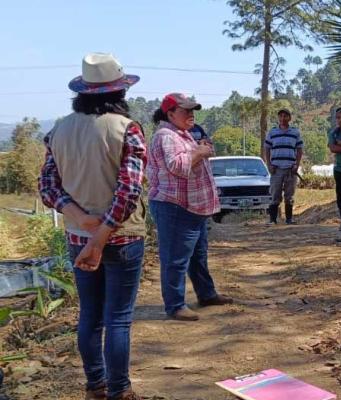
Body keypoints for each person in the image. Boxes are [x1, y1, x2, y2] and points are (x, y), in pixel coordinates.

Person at [39, 53, 145, 400]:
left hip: (77, 237)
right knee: (117, 319)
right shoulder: (126, 129)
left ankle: (95, 386)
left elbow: (48, 188)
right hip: (121, 238)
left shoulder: (58, 131)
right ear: (120, 94)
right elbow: (129, 191)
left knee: (90, 316)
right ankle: (120, 390)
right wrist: (100, 237)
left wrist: (82, 219)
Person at [147, 93, 233, 322]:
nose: (191, 114)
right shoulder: (166, 136)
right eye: (186, 111)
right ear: (170, 113)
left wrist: (200, 148)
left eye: (192, 110)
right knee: (175, 258)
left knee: (197, 255)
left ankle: (206, 294)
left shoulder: (181, 134)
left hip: (192, 206)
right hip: (175, 206)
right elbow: (176, 165)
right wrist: (200, 152)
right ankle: (175, 305)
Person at [264, 108, 303, 225]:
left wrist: (297, 164)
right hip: (276, 169)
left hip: (291, 169)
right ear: (278, 118)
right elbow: (267, 148)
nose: (282, 118)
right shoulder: (272, 132)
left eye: (285, 116)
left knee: (289, 195)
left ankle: (289, 219)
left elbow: (300, 150)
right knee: (275, 194)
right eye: (280, 116)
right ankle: (272, 220)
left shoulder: (295, 133)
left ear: (289, 118)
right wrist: (269, 164)